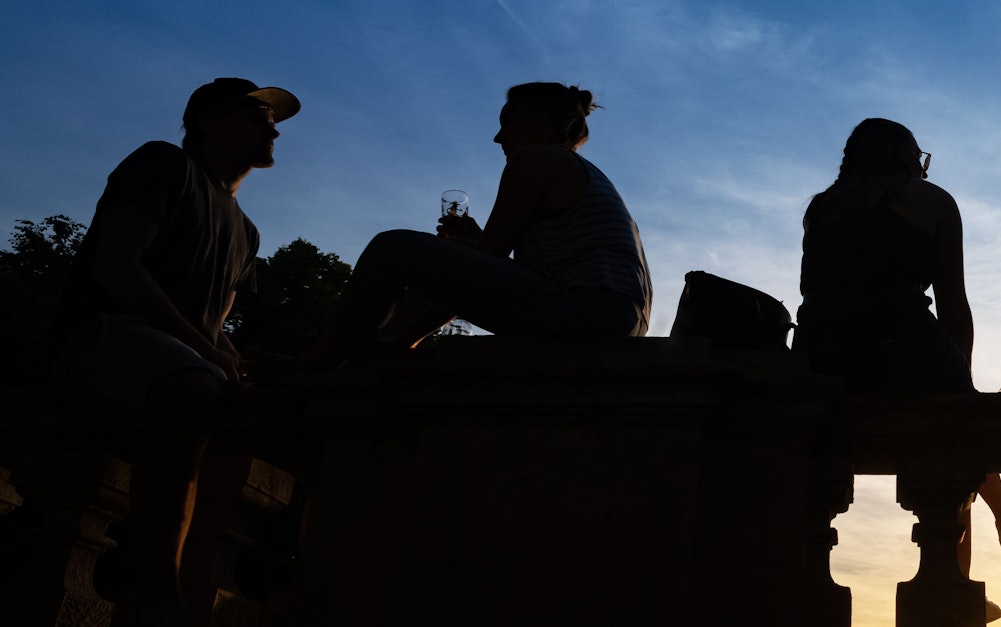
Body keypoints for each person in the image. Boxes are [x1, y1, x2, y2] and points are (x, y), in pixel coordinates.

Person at [54, 77, 299, 624]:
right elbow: (118, 268)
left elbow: (211, 325)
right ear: (206, 122)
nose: (273, 130)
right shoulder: (163, 164)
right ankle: (157, 593)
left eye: (272, 122)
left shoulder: (247, 232)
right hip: (104, 334)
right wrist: (206, 351)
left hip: (175, 353)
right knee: (194, 389)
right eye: (255, 117)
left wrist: (246, 361)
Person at [792, 118, 1001, 621]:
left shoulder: (822, 206)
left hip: (822, 356)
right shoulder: (931, 200)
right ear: (908, 158)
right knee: (958, 433)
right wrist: (961, 382)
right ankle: (982, 549)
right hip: (900, 347)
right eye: (921, 158)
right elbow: (953, 302)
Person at [299, 83, 651, 366]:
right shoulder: (582, 171)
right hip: (618, 318)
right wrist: (470, 246)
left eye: (507, 123)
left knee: (392, 247)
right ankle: (390, 343)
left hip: (590, 311)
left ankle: (327, 356)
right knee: (456, 250)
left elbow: (490, 256)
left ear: (539, 123)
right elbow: (507, 265)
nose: (498, 137)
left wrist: (469, 253)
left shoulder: (535, 158)